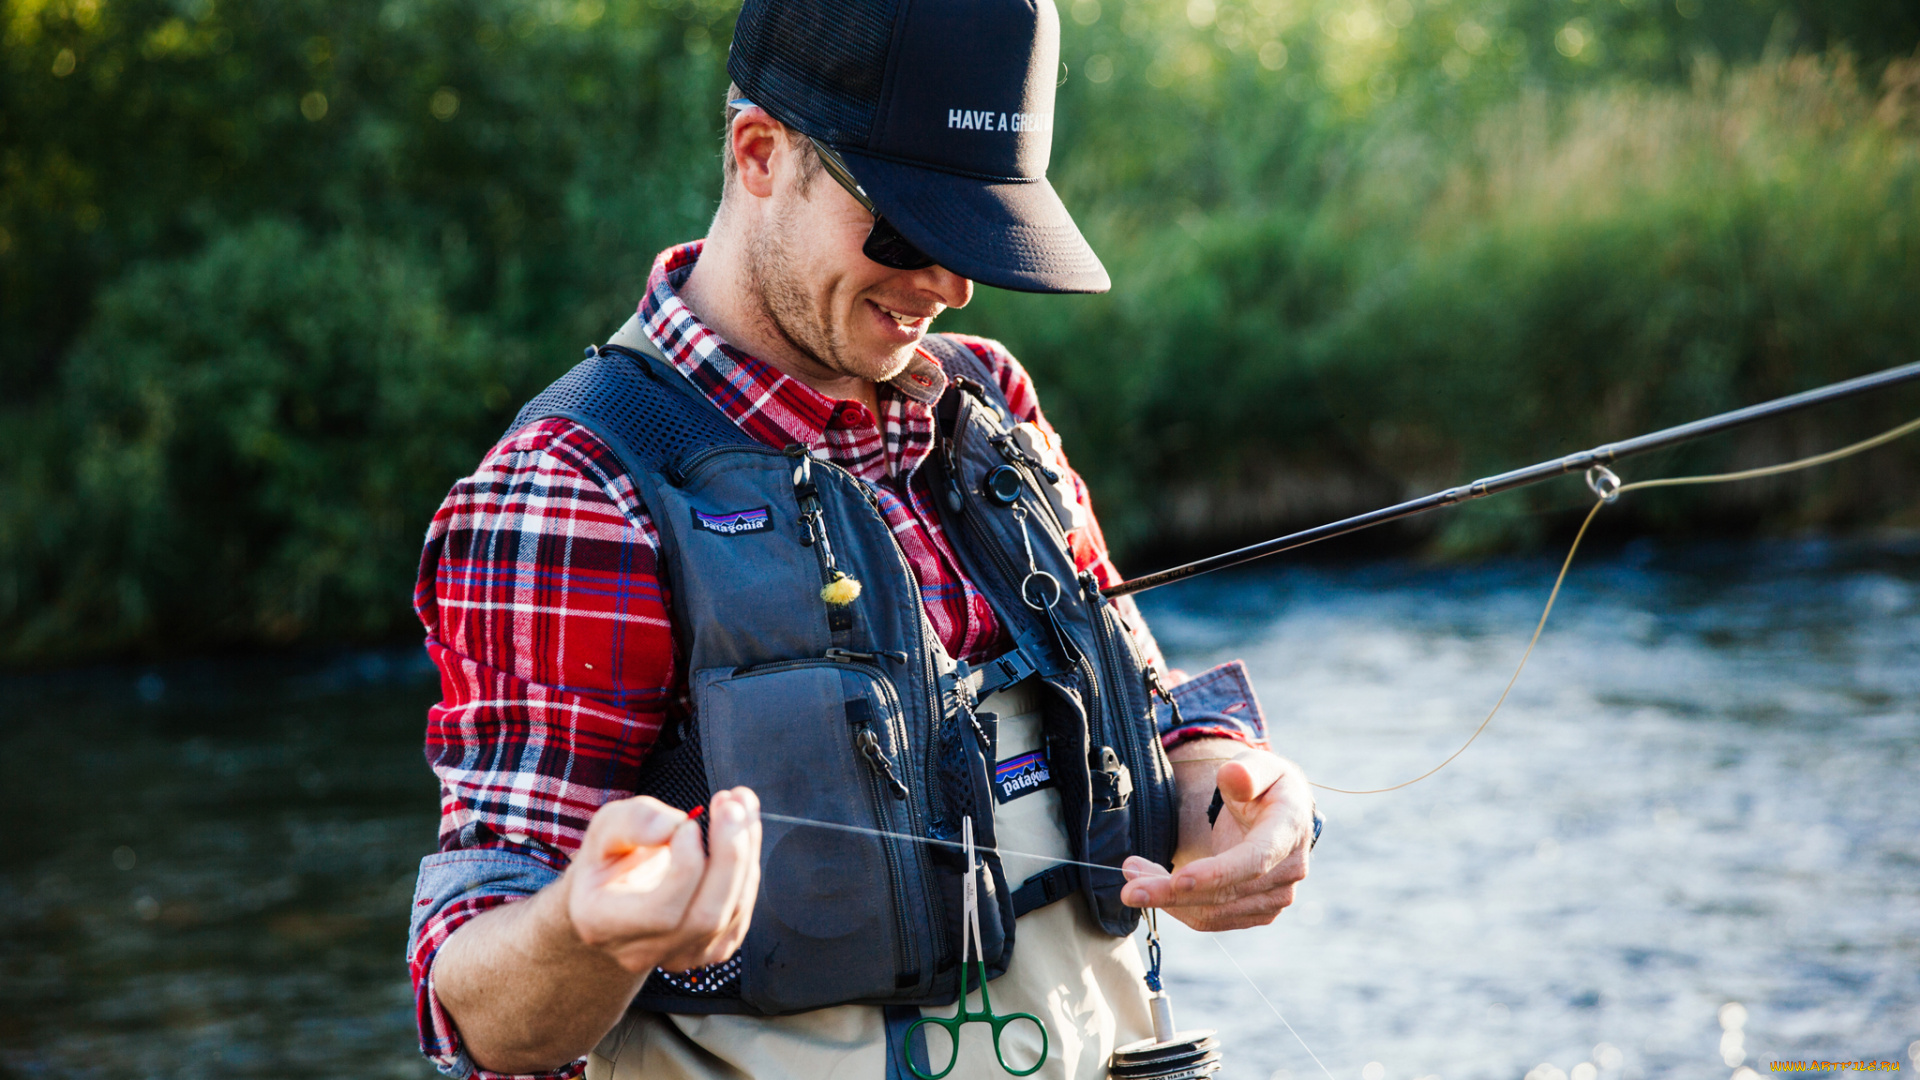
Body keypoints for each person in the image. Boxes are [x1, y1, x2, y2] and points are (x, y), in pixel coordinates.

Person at [405, 1, 1318, 1078]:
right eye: (908, 225)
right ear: (759, 153)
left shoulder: (991, 402)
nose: (947, 282)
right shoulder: (572, 493)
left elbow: (1159, 721)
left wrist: (1242, 800)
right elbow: (479, 1017)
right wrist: (589, 930)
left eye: (976, 229)